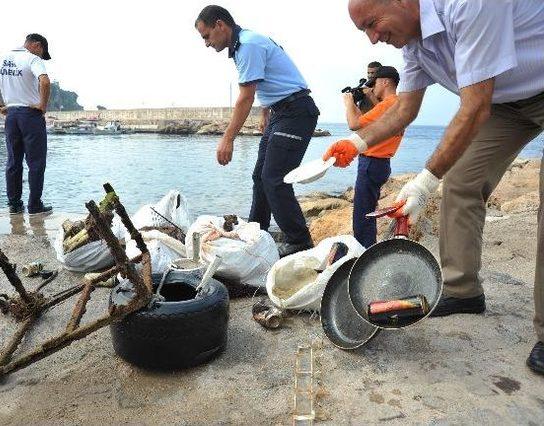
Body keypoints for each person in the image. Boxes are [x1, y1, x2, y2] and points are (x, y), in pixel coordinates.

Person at [323, 0, 544, 376]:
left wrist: (424, 182)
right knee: (461, 181)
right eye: (364, 31)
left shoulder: (468, 6)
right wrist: (356, 144)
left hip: (502, 96)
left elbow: (474, 107)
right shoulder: (414, 46)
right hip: (508, 103)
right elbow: (404, 110)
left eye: (372, 23)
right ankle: (462, 291)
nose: (373, 39)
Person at [195, 5, 320, 257]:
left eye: (206, 36)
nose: (206, 44)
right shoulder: (245, 43)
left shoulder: (248, 45)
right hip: (280, 112)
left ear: (220, 25)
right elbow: (270, 81)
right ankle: (257, 232)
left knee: (275, 179)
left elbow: (245, 97)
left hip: (295, 113)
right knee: (259, 177)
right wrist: (267, 114)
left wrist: (227, 139)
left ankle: (299, 240)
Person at [0, 33, 53, 215]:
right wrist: (42, 106)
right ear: (36, 45)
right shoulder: (32, 59)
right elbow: (44, 81)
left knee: (13, 161)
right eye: (42, 52)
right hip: (30, 115)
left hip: (11, 116)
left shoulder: (0, 59)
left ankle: (14, 205)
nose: (41, 56)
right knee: (36, 162)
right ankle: (34, 206)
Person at [343, 65, 403, 247]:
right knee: (369, 211)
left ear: (385, 82)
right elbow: (376, 123)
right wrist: (369, 98)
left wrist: (348, 102)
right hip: (383, 164)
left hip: (371, 162)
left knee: (362, 215)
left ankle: (364, 252)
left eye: (374, 83)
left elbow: (354, 124)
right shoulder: (400, 104)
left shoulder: (388, 104)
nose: (373, 88)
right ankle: (369, 248)